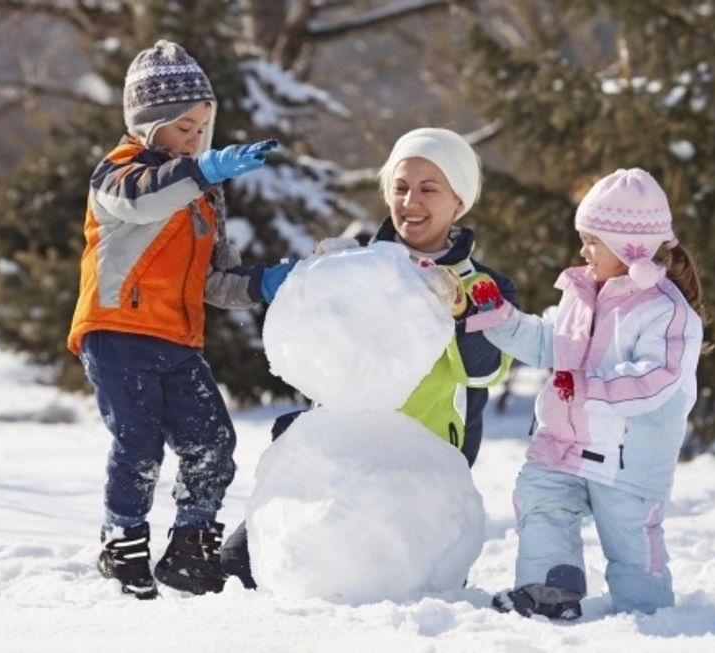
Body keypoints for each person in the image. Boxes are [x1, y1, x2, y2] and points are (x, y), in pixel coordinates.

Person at [220, 127, 518, 589]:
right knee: (241, 569)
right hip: (338, 458)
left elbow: (486, 371)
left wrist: (460, 311)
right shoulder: (358, 265)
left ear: (458, 202)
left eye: (428, 189)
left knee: (398, 587)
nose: (410, 201)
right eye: (400, 188)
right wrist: (317, 285)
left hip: (419, 467)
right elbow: (309, 351)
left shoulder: (485, 287)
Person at [66, 40, 295, 600]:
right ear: (147, 126)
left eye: (202, 129)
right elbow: (144, 201)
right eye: (181, 128)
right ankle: (123, 541)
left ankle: (192, 546)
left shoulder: (202, 195)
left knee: (213, 442)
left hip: (179, 338)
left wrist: (267, 283)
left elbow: (216, 280)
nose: (194, 140)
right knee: (139, 443)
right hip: (118, 332)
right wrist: (204, 168)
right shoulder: (118, 175)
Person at [468, 168, 707, 619]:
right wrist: (499, 317)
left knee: (631, 544)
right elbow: (547, 342)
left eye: (593, 241)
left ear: (629, 247)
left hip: (628, 462)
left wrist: (586, 388)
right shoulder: (581, 293)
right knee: (541, 502)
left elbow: (656, 378)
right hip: (564, 444)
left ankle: (651, 613)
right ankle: (549, 589)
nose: (583, 250)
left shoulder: (665, 312)